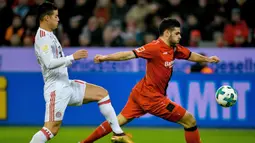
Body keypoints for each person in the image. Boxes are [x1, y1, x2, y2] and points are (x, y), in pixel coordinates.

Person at [81, 18, 220, 143]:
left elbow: (190, 55)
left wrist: (208, 59)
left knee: (116, 122)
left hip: (141, 92)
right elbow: (127, 55)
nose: (180, 36)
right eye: (177, 33)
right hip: (152, 97)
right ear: (167, 33)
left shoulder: (174, 48)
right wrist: (105, 57)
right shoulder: (154, 47)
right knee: (189, 120)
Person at [30, 2, 133, 143]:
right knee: (51, 130)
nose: (58, 19)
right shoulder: (42, 38)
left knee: (101, 94)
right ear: (46, 18)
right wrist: (72, 57)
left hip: (66, 84)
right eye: (55, 16)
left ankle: (118, 133)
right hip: (56, 88)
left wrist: (69, 59)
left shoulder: (50, 35)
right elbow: (49, 63)